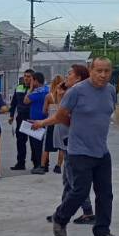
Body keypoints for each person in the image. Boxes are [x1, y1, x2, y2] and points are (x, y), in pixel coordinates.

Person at [33, 57, 119, 236]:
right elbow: (61, 116)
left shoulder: (111, 91)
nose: (103, 75)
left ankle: (102, 232)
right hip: (79, 150)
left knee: (105, 194)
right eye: (99, 71)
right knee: (80, 191)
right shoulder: (76, 91)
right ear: (90, 71)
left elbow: (106, 114)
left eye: (107, 71)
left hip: (101, 150)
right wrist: (75, 129)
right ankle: (60, 218)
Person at [45, 64, 95, 225]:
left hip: (72, 142)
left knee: (74, 181)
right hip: (66, 141)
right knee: (68, 181)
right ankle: (62, 211)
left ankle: (87, 212)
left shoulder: (76, 94)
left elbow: (64, 116)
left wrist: (41, 123)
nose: (66, 76)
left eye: (70, 74)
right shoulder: (70, 93)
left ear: (78, 78)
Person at [24, 72, 50, 174]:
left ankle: (39, 165)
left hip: (36, 122)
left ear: (36, 81)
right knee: (44, 145)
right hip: (46, 120)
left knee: (37, 145)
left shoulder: (36, 92)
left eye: (32, 80)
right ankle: (45, 164)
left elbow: (26, 101)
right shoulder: (48, 89)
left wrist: (30, 89)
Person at [10, 69, 35, 170]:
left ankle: (36, 164)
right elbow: (14, 103)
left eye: (28, 76)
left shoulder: (36, 89)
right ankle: (20, 163)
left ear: (33, 78)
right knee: (20, 141)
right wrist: (11, 115)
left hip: (32, 118)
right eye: (25, 76)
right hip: (21, 118)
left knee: (34, 142)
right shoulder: (19, 87)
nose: (26, 78)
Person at [43, 75, 66, 172]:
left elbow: (44, 111)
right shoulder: (65, 95)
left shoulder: (49, 96)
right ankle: (58, 166)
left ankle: (45, 165)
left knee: (47, 146)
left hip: (51, 122)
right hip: (61, 122)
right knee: (62, 146)